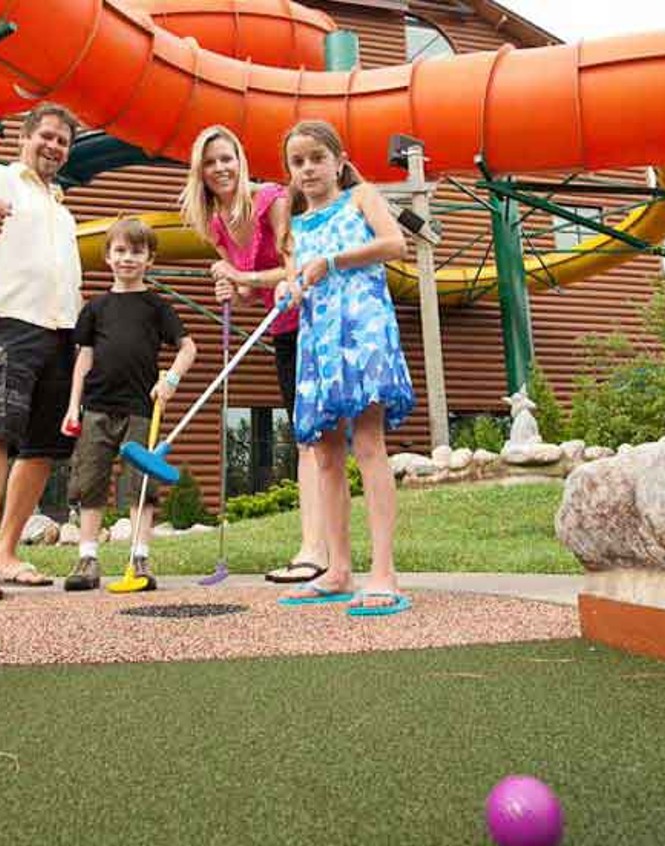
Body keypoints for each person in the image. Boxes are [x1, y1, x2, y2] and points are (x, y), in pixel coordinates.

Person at [178, 124, 332, 586]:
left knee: (314, 438)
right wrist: (232, 284)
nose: (220, 168)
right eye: (210, 162)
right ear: (200, 173)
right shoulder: (218, 224)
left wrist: (244, 277)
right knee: (307, 436)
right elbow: (250, 290)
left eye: (227, 158)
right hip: (282, 331)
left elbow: (291, 265)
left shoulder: (270, 198)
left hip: (313, 321)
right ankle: (318, 549)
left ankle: (316, 549)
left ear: (240, 159)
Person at [275, 120, 416, 614]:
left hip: (364, 331)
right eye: (298, 162)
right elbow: (293, 279)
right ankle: (337, 569)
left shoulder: (362, 198)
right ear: (290, 173)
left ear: (338, 160)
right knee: (326, 454)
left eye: (316, 157)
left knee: (368, 443)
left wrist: (333, 262)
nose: (308, 168)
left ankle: (383, 571)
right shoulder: (292, 227)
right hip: (319, 343)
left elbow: (395, 244)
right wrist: (286, 287)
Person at [0, 101, 84, 600]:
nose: (53, 146)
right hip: (5, 323)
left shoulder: (63, 211)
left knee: (44, 447)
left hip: (60, 332)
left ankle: (7, 552)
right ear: (25, 137)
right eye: (46, 136)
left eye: (62, 141)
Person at [62, 218, 198, 591]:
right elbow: (83, 359)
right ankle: (87, 558)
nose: (127, 258)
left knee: (141, 486)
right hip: (96, 408)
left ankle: (140, 557)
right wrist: (73, 406)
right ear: (107, 256)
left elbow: (188, 348)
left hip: (142, 409)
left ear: (149, 258)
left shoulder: (156, 307)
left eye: (136, 252)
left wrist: (169, 379)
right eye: (120, 251)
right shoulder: (95, 308)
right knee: (90, 482)